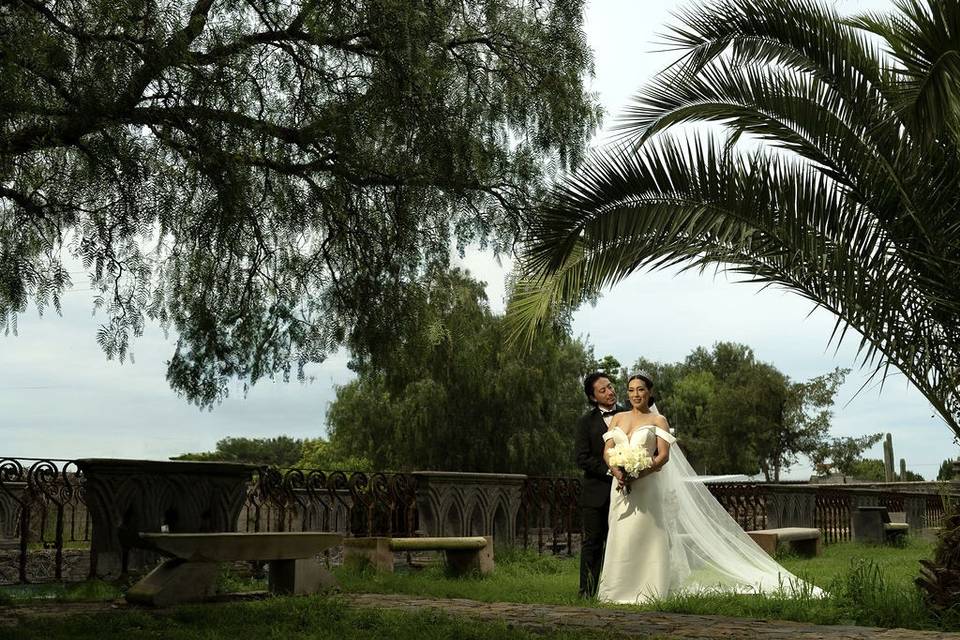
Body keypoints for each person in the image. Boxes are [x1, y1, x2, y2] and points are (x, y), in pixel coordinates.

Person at [597, 371, 823, 604]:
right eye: (631, 390)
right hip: (621, 486)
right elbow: (607, 451)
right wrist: (619, 473)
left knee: (649, 535)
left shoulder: (658, 420)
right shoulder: (618, 418)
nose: (636, 394)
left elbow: (663, 456)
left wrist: (639, 473)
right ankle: (617, 591)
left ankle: (650, 590)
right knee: (622, 535)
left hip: (647, 485)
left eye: (640, 389)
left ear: (649, 392)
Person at [574, 372, 624, 598]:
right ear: (593, 397)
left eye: (610, 387)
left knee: (622, 543)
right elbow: (582, 458)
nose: (610, 392)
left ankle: (619, 591)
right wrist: (610, 470)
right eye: (603, 390)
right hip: (596, 493)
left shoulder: (628, 414)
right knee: (593, 542)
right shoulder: (586, 422)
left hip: (627, 491)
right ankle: (587, 591)